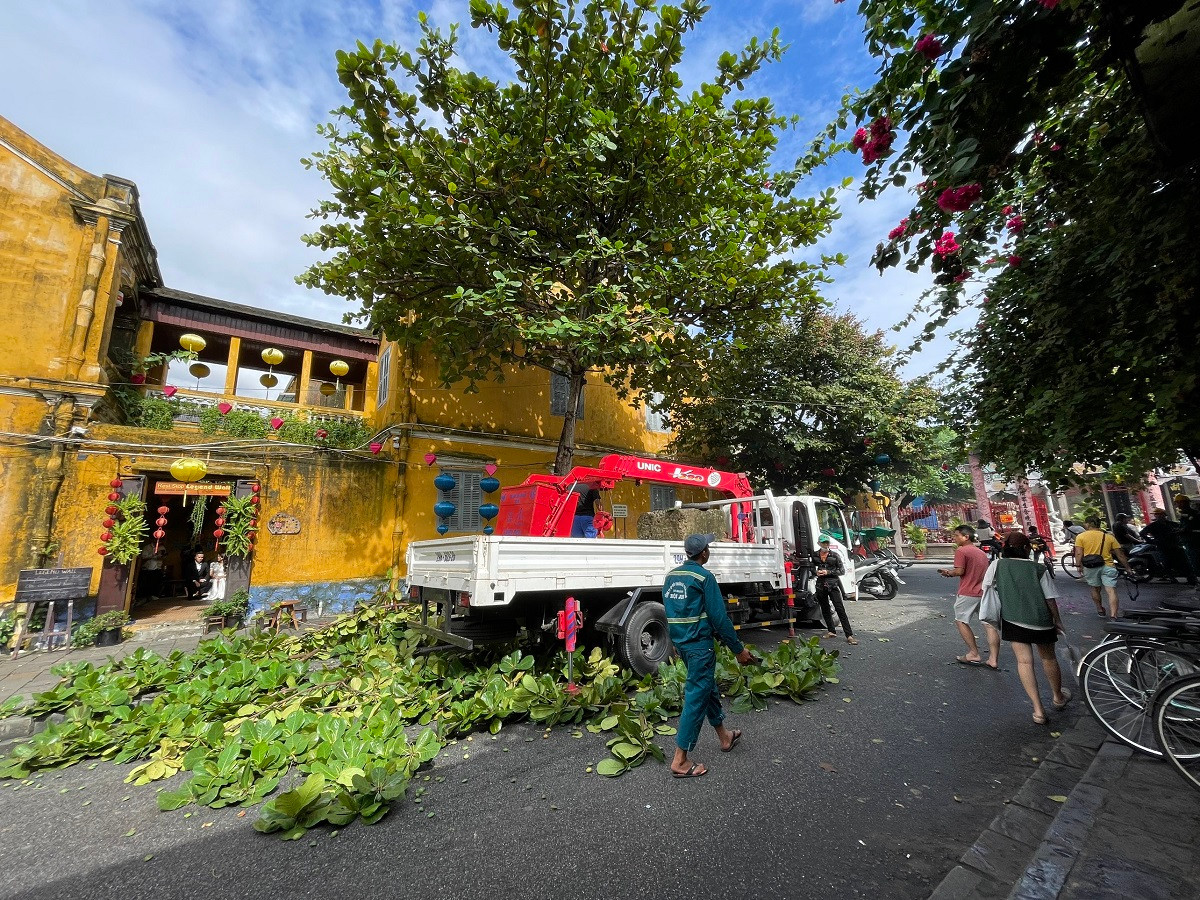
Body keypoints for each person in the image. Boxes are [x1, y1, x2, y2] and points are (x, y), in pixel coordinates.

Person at [662, 533, 758, 778]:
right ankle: (680, 760)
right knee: (696, 696)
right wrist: (738, 650)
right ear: (704, 553)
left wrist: (677, 643)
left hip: (683, 645)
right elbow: (719, 618)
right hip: (699, 647)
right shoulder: (705, 577)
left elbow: (672, 613)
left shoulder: (671, 576)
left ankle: (724, 736)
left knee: (708, 688)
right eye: (708, 547)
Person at [982, 532, 1070, 725]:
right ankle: (1058, 697)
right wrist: (1058, 621)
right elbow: (1050, 599)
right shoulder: (1038, 568)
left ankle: (1038, 710)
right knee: (1049, 658)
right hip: (1041, 620)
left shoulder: (997, 565)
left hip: (1012, 618)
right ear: (1025, 548)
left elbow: (987, 587)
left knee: (1024, 662)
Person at [939, 524, 1000, 669]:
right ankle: (993, 659)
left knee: (961, 620)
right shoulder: (980, 552)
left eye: (956, 535)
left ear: (966, 537)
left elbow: (959, 571)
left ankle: (973, 653)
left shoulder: (961, 551)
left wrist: (948, 572)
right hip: (984, 592)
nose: (954, 538)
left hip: (968, 592)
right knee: (989, 625)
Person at [1075, 517, 1130, 617]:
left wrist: (1078, 565)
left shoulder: (1081, 537)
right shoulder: (1109, 537)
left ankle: (1100, 609)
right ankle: (1113, 615)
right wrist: (1128, 568)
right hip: (1108, 565)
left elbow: (1079, 553)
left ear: (1088, 524)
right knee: (1111, 590)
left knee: (1095, 588)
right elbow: (1120, 555)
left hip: (1090, 566)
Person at [813, 535, 857, 645]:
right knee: (825, 609)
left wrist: (828, 572)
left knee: (840, 609)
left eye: (827, 543)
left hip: (833, 585)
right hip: (820, 586)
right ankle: (831, 631)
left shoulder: (835, 555)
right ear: (819, 543)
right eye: (823, 543)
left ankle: (849, 635)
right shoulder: (815, 555)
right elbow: (811, 568)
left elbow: (842, 571)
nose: (825, 545)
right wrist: (816, 572)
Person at [1141, 507, 1197, 585]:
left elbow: (1181, 529)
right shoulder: (1153, 525)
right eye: (1156, 514)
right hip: (1163, 547)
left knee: (1183, 562)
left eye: (1159, 514)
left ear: (1164, 515)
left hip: (1175, 545)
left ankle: (1191, 578)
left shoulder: (1171, 524)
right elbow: (1142, 533)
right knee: (1167, 562)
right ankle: (1171, 577)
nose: (1158, 516)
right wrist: (1151, 541)